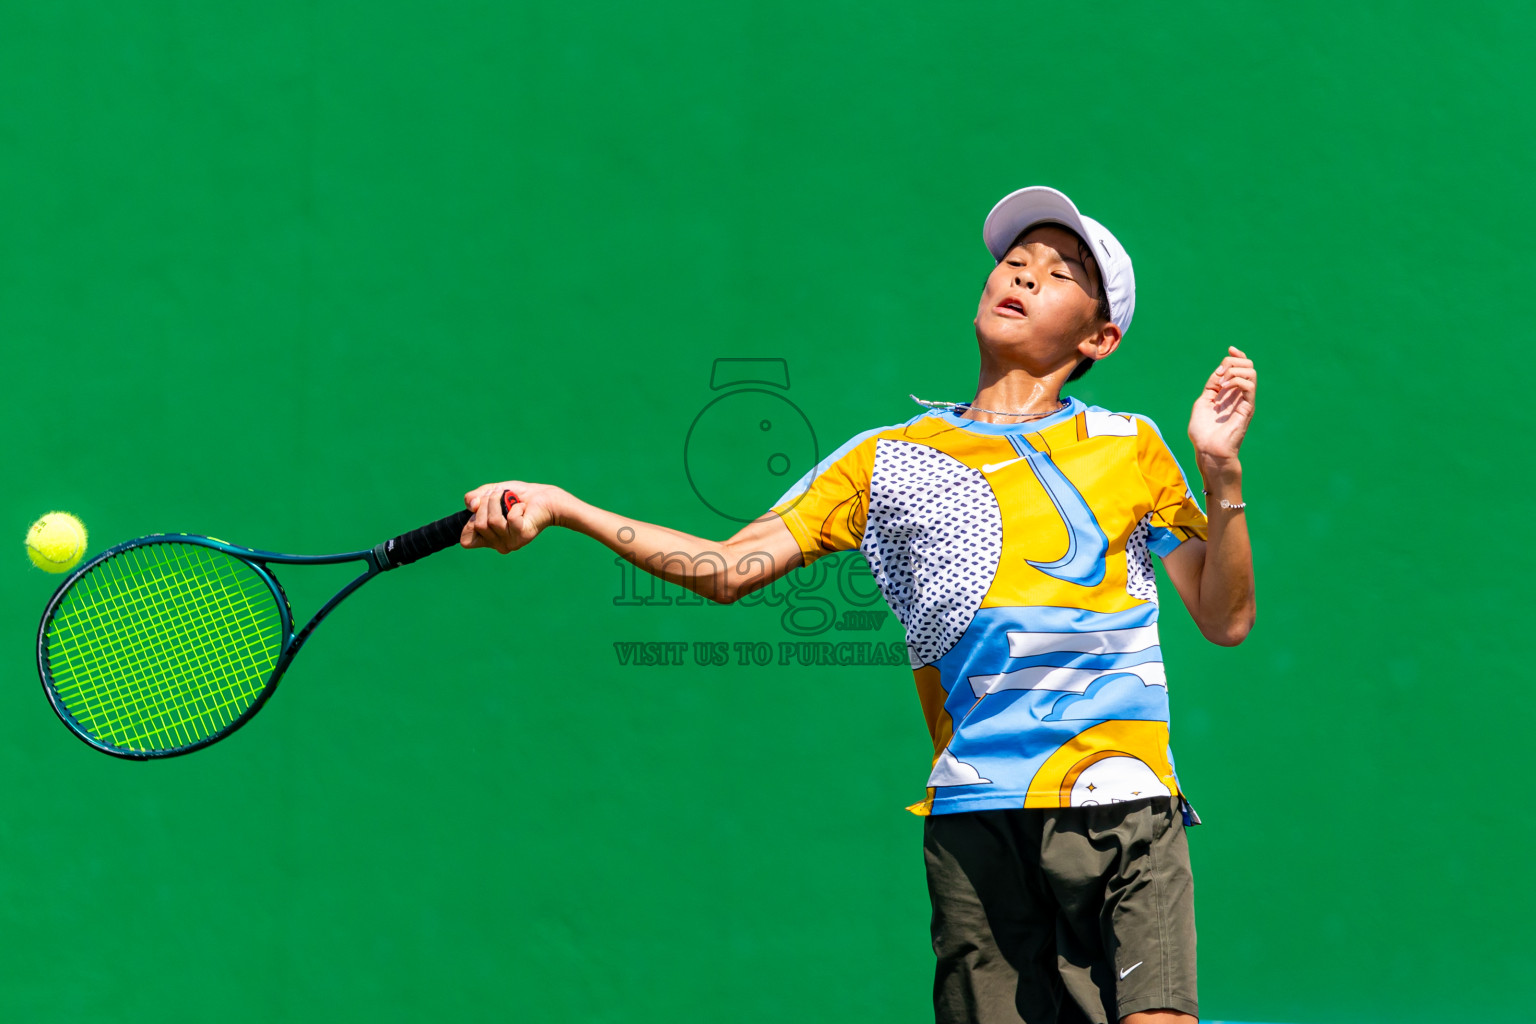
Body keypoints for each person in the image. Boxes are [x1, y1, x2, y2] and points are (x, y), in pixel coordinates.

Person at [460, 186, 1256, 1024]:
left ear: (1100, 337)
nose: (1020, 277)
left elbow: (1225, 616)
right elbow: (726, 567)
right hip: (975, 816)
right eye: (1013, 263)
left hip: (1121, 800)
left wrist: (1222, 475)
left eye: (1057, 274)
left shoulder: (1130, 445)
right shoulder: (885, 461)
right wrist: (567, 507)